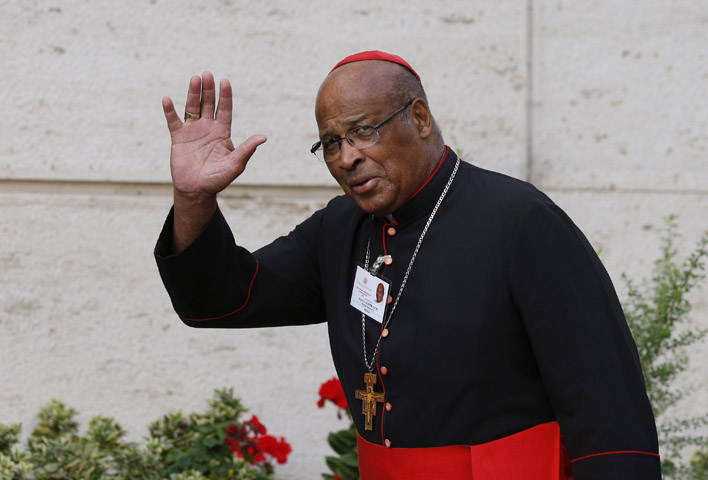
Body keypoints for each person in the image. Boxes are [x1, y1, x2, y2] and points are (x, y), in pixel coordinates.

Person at [155, 51, 661, 479]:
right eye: (331, 143)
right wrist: (193, 196)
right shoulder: (340, 229)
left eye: (362, 131)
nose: (347, 157)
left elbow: (608, 413)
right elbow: (220, 300)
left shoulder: (521, 222)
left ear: (419, 119)